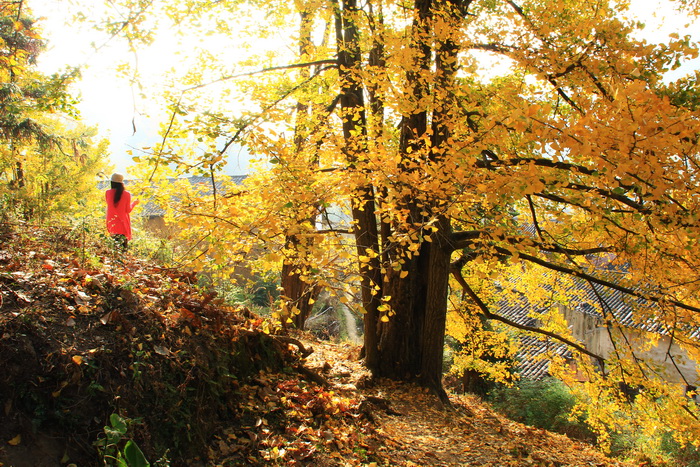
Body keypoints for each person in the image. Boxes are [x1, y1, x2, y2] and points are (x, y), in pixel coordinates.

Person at [105, 173, 139, 249]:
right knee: (123, 246)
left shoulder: (108, 193)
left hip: (111, 222)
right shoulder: (127, 194)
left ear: (112, 182)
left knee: (113, 246)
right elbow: (128, 210)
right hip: (122, 222)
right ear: (122, 183)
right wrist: (134, 203)